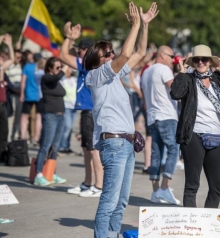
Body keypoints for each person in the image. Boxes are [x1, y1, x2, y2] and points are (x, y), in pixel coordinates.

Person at [83, 3, 157, 237]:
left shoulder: (113, 76)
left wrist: (144, 26)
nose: (113, 55)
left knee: (121, 201)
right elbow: (126, 53)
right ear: (97, 59)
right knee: (109, 199)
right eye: (108, 53)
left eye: (111, 52)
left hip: (126, 142)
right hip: (113, 143)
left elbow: (139, 54)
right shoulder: (96, 75)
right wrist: (134, 25)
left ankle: (113, 234)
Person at [170, 45, 220, 208]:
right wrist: (181, 72)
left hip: (216, 136)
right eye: (197, 60)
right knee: (192, 185)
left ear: (210, 62)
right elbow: (175, 94)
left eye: (204, 59)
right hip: (193, 135)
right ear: (193, 63)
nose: (201, 62)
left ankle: (208, 224)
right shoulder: (188, 79)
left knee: (217, 186)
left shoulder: (218, 79)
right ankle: (192, 226)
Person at [60, 23, 103, 197]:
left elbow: (62, 55)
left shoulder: (88, 63)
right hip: (87, 110)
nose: (78, 52)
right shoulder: (88, 63)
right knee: (87, 148)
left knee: (93, 149)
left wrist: (69, 38)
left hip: (91, 111)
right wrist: (71, 40)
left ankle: (99, 186)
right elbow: (66, 55)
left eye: (81, 50)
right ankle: (87, 183)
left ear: (88, 51)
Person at [141, 45, 180, 205]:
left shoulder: (146, 72)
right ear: (163, 55)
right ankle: (164, 187)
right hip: (166, 115)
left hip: (152, 116)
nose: (173, 60)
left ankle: (156, 190)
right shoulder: (164, 70)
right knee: (174, 149)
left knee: (156, 154)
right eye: (172, 57)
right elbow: (176, 91)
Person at [33, 57, 67, 186]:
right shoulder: (46, 78)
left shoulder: (57, 81)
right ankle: (38, 175)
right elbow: (56, 77)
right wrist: (63, 69)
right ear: (50, 68)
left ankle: (52, 173)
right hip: (50, 116)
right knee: (45, 146)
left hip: (60, 117)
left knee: (55, 146)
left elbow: (58, 79)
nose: (59, 70)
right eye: (57, 67)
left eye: (60, 67)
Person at [19, 50, 42, 144]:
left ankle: (22, 137)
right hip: (40, 95)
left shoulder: (27, 67)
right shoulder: (42, 68)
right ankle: (36, 138)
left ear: (33, 58)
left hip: (28, 94)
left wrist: (21, 94)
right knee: (38, 117)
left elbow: (23, 82)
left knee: (24, 116)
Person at [59, 66, 77, 154]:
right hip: (66, 106)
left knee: (70, 128)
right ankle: (62, 146)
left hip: (74, 106)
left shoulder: (74, 79)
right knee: (67, 127)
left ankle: (67, 146)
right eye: (68, 68)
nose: (70, 69)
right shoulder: (62, 80)